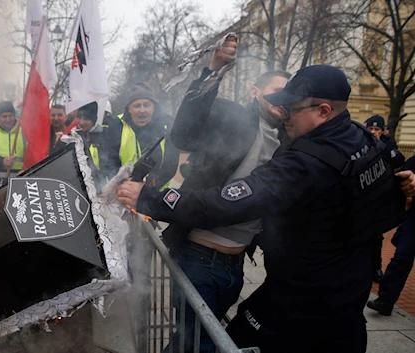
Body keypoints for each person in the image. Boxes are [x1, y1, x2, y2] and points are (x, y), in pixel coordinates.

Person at [118, 65, 410, 353]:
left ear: (322, 112)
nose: (285, 114)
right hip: (346, 295)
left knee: (220, 343)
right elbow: (388, 185)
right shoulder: (360, 135)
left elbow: (227, 203)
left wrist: (151, 199)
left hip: (303, 297)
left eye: (293, 108)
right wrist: (407, 182)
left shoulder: (305, 164)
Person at [136, 36, 290, 352]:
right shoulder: (231, 117)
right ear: (255, 91)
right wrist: (213, 72)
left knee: (188, 342)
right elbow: (185, 134)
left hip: (235, 268)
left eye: (290, 95)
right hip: (198, 258)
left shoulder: (291, 141)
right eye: (276, 91)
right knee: (203, 344)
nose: (283, 100)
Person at [104, 82, 180, 190]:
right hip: (122, 193)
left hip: (155, 194)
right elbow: (109, 161)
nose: (142, 110)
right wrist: (124, 183)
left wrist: (148, 189)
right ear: (129, 109)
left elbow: (171, 164)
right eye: (137, 106)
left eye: (147, 105)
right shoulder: (117, 125)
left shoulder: (167, 125)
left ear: (153, 107)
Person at [365, 115, 406, 282]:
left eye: (377, 129)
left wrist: (382, 145)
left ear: (383, 131)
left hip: (379, 194)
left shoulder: (387, 144)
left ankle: (375, 267)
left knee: (376, 235)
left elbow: (398, 160)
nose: (374, 132)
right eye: (371, 129)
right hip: (363, 192)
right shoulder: (359, 141)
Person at [75, 102, 108, 191]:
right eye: (79, 118)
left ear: (94, 120)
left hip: (100, 186)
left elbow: (106, 165)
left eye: (86, 119)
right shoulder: (73, 137)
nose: (81, 122)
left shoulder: (103, 137)